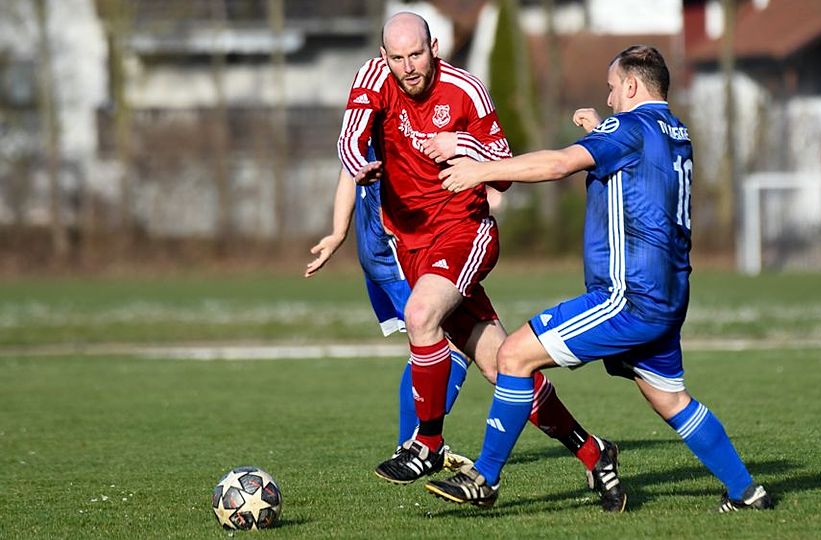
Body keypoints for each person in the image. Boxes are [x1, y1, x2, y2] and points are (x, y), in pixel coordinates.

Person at [425, 45, 773, 513]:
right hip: (668, 294)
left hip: (628, 298)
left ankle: (484, 478)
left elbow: (557, 164)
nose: (609, 99)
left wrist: (479, 171)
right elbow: (637, 169)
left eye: (612, 89)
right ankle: (746, 491)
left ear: (631, 85)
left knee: (513, 355)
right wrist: (600, 131)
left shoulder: (626, 129)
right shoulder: (675, 131)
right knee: (670, 399)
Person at [337, 12, 624, 511]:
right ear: (384, 57)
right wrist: (360, 164)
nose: (408, 67)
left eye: (416, 54)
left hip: (464, 232)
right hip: (412, 246)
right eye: (398, 57)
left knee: (420, 315)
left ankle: (427, 443)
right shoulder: (374, 78)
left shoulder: (466, 90)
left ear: (434, 47)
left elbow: (504, 168)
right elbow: (349, 138)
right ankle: (593, 452)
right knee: (501, 366)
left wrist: (461, 145)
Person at [304, 165, 470, 460]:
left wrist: (339, 233)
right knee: (450, 340)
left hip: (377, 243)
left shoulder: (360, 134)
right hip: (396, 245)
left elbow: (348, 166)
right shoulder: (390, 132)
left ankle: (414, 444)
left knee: (435, 341)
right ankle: (415, 445)